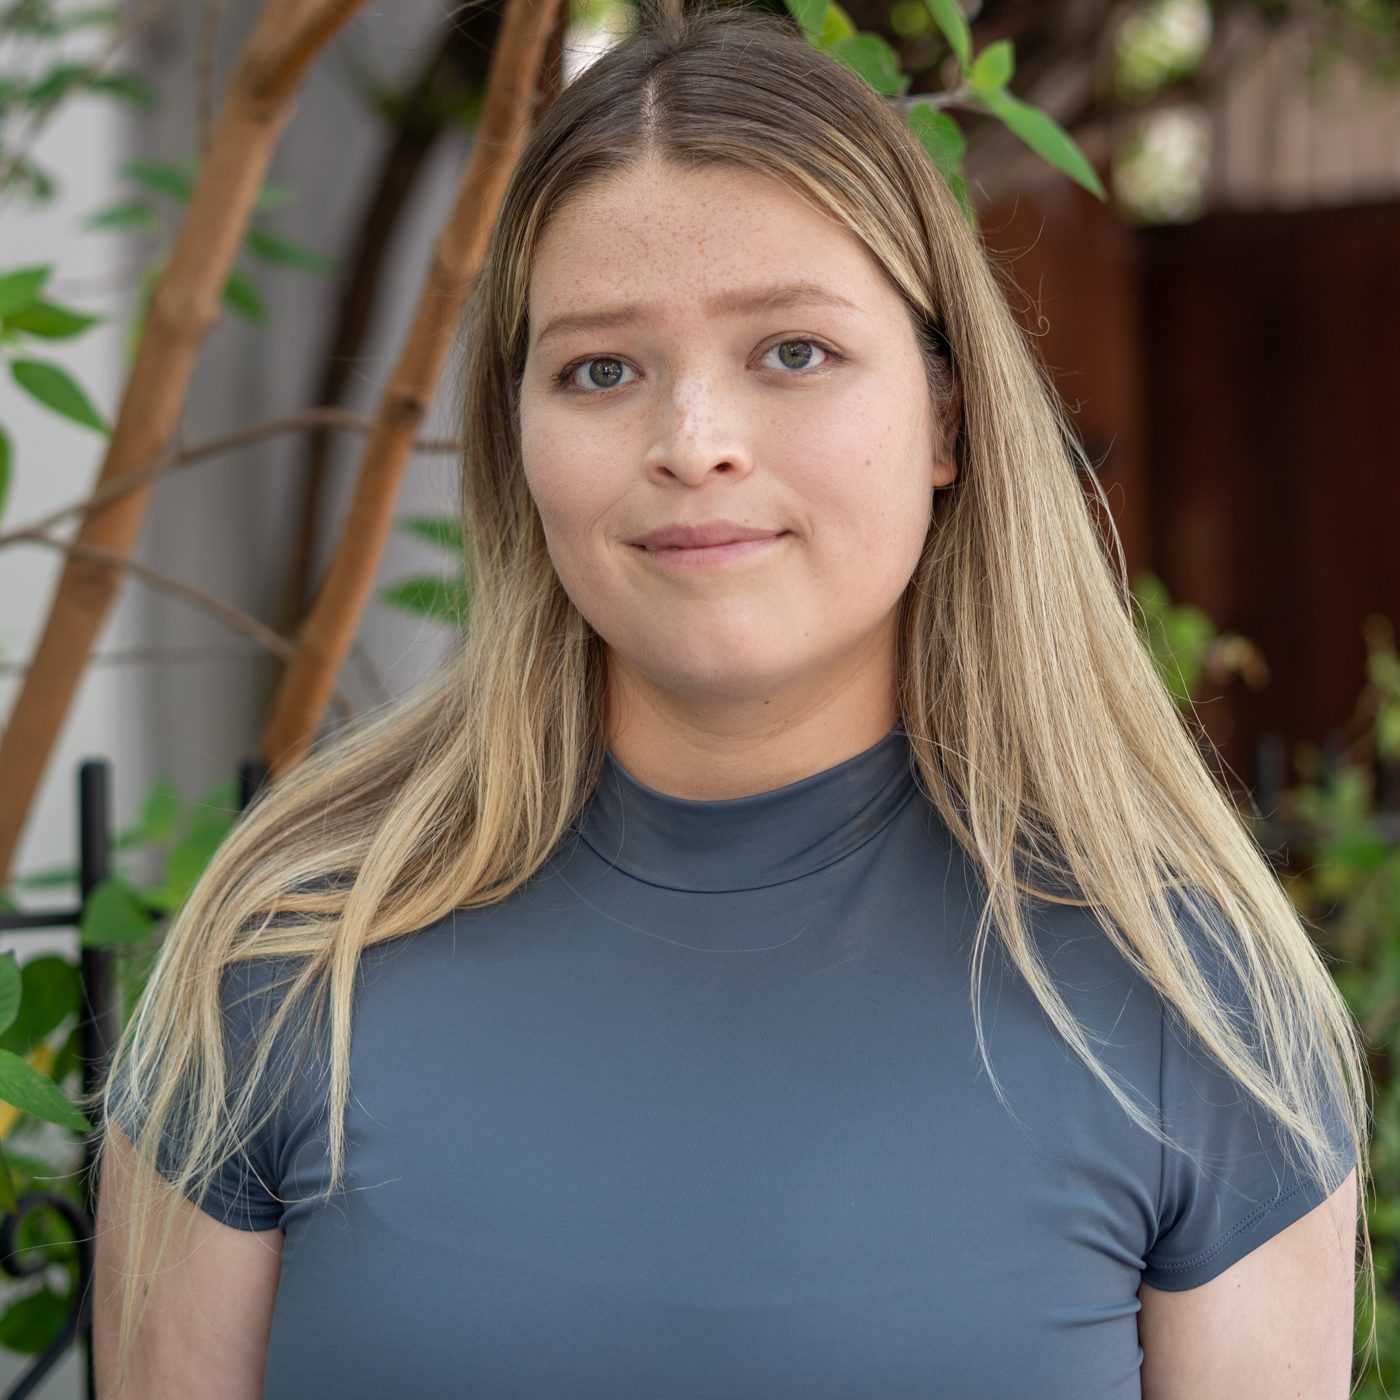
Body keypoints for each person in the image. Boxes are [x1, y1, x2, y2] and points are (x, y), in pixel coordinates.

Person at [90, 2, 1371, 1396]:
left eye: (792, 351)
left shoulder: (1189, 998)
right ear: (519, 441)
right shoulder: (289, 953)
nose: (692, 443)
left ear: (947, 418)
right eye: (600, 369)